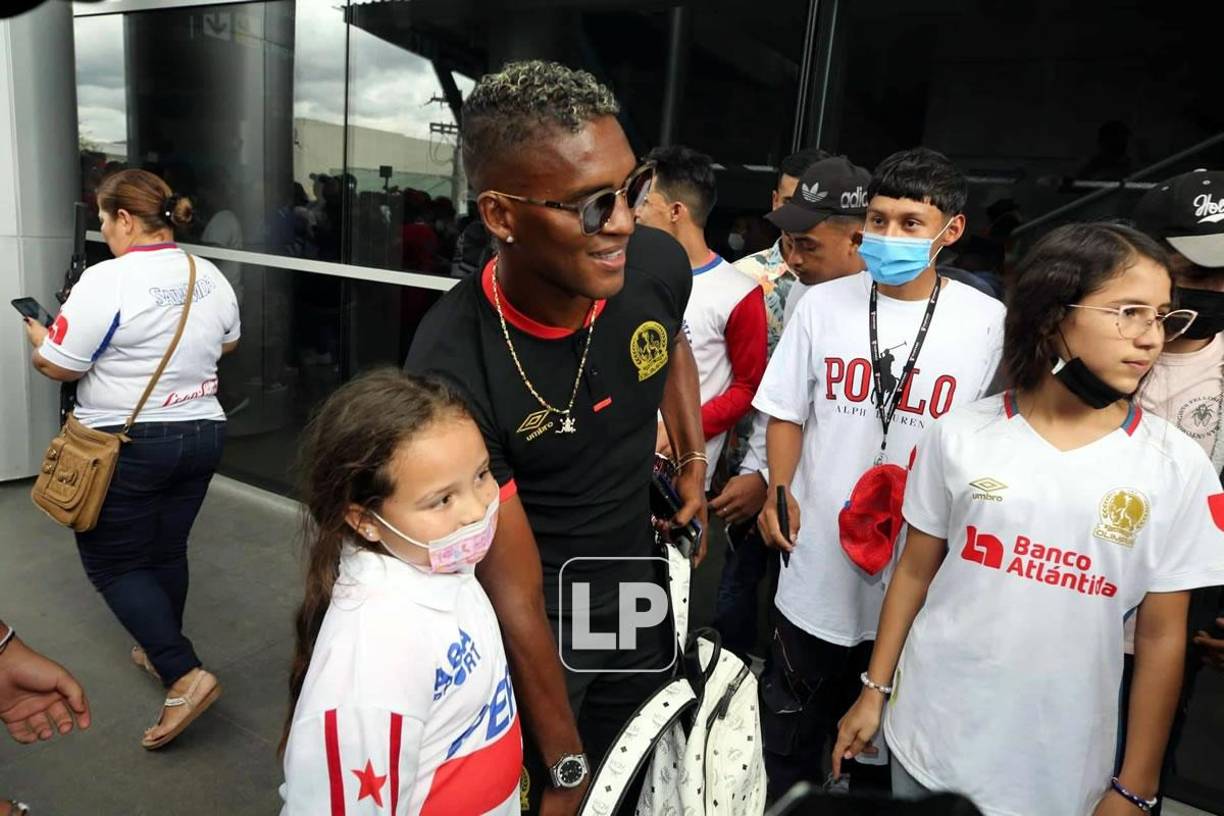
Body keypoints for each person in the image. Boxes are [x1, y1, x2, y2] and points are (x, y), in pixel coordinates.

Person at [834, 222, 1224, 816]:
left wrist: (1136, 785)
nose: (1151, 338)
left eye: (1163, 316)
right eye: (1129, 312)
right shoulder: (961, 434)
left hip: (1062, 761)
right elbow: (913, 573)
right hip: (930, 737)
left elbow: (1162, 635)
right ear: (1052, 314)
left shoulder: (1177, 467)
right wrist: (873, 692)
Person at [404, 61, 706, 815]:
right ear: (502, 215)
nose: (627, 222)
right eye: (591, 205)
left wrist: (692, 453)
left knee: (636, 762)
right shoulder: (450, 371)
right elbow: (514, 592)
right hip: (541, 626)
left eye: (633, 189)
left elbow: (670, 343)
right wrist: (563, 766)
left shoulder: (655, 264)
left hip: (636, 582)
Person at [753, 147, 1005, 798]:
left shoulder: (987, 325)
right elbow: (785, 410)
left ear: (951, 231)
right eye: (879, 219)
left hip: (919, 581)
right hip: (814, 573)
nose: (888, 236)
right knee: (787, 745)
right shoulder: (822, 305)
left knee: (880, 763)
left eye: (910, 223)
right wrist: (779, 490)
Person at [23, 168, 240, 749]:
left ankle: (183, 674)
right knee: (166, 547)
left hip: (128, 442)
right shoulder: (208, 273)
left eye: (103, 219)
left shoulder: (107, 279)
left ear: (124, 219)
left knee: (112, 563)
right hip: (202, 433)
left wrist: (41, 340)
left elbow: (60, 366)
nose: (103, 231)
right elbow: (228, 343)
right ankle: (159, 640)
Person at [280, 369, 521, 814]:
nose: (477, 508)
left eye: (482, 474)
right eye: (441, 500)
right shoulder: (373, 655)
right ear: (364, 520)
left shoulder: (441, 561)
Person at [711, 154, 870, 659]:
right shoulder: (807, 297)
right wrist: (764, 472)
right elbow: (784, 405)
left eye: (807, 246)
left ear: (857, 238)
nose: (794, 260)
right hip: (798, 498)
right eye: (791, 244)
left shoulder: (909, 306)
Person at [1122, 169, 1224, 813]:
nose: (1213, 289)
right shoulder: (1102, 346)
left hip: (1176, 619)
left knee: (1136, 778)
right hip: (1066, 603)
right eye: (1196, 272)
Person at [636, 144, 767, 487]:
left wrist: (681, 430)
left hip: (681, 477)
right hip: (616, 460)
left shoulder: (738, 292)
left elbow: (747, 387)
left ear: (676, 211)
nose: (634, 213)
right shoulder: (624, 275)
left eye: (645, 202)